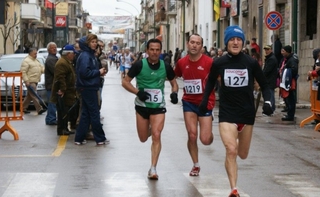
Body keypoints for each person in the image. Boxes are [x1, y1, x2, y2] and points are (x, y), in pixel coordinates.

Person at [198, 26, 273, 197]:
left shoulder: (251, 63)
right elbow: (209, 85)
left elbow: (265, 85)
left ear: (243, 42)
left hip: (246, 114)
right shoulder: (219, 63)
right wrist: (203, 102)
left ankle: (235, 146)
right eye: (232, 39)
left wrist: (270, 102)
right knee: (231, 150)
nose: (235, 42)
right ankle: (234, 190)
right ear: (226, 42)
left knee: (243, 154)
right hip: (227, 113)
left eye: (239, 39)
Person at [122, 38, 179, 180]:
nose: (154, 52)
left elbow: (174, 83)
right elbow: (125, 82)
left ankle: (153, 168)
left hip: (158, 107)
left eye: (157, 50)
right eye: (152, 49)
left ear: (160, 51)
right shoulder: (139, 65)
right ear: (147, 51)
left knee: (157, 135)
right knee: (142, 138)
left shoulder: (165, 66)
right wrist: (138, 92)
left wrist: (174, 93)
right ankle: (149, 129)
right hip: (142, 106)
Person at [174, 34, 215, 177]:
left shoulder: (209, 62)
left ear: (201, 46)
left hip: (205, 103)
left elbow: (219, 79)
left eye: (198, 43)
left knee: (205, 140)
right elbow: (175, 76)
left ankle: (210, 134)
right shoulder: (181, 62)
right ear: (187, 44)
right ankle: (196, 164)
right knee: (192, 136)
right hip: (189, 102)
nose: (194, 45)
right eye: (192, 42)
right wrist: (173, 91)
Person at [74, 34, 109, 146]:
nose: (95, 44)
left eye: (95, 41)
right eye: (92, 42)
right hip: (88, 87)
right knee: (94, 113)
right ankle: (100, 138)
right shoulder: (86, 56)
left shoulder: (89, 55)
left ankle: (79, 138)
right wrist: (98, 72)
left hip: (88, 86)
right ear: (87, 43)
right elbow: (85, 73)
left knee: (86, 113)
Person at [51, 44, 77, 136]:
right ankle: (62, 129)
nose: (74, 55)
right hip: (64, 92)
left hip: (69, 91)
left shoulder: (66, 62)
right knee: (62, 111)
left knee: (66, 111)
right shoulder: (62, 63)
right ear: (68, 54)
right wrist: (62, 89)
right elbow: (60, 78)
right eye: (73, 54)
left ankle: (65, 128)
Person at [21, 47, 46, 115]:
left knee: (29, 96)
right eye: (35, 53)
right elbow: (23, 72)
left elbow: (41, 68)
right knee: (34, 95)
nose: (36, 55)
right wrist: (26, 81)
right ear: (30, 53)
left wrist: (46, 69)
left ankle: (22, 108)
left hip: (35, 80)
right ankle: (39, 109)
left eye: (36, 53)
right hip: (30, 81)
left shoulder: (36, 60)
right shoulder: (26, 61)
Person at [278, 45, 299, 121]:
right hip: (287, 81)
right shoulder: (287, 59)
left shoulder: (292, 60)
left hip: (289, 81)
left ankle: (290, 115)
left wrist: (286, 74)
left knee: (291, 99)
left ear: (287, 51)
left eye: (283, 51)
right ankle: (289, 113)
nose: (282, 53)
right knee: (288, 98)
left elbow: (293, 70)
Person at [44, 42, 58, 125]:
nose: (54, 49)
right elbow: (55, 71)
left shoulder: (53, 58)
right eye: (52, 48)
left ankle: (49, 118)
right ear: (48, 50)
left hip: (51, 84)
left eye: (55, 47)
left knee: (51, 103)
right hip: (51, 85)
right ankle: (51, 119)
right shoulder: (50, 59)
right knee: (52, 103)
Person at [262, 45, 279, 113]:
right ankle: (269, 109)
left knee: (271, 95)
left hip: (270, 80)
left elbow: (267, 70)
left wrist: (261, 75)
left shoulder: (272, 59)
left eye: (268, 49)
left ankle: (271, 109)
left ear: (271, 50)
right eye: (265, 50)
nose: (266, 51)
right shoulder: (269, 58)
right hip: (269, 80)